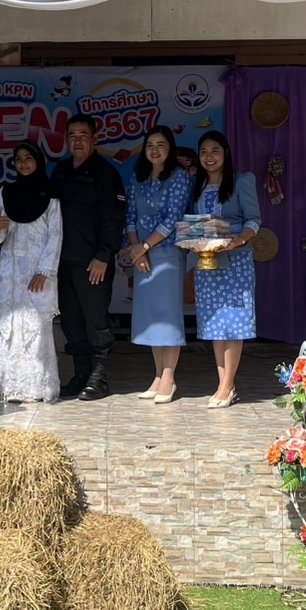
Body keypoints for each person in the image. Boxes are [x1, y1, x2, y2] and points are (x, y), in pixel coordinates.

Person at [50, 114, 126, 400]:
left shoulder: (106, 173)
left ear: (95, 139)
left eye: (83, 135)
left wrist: (104, 255)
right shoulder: (60, 171)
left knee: (96, 322)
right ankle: (81, 373)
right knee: (71, 322)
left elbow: (114, 219)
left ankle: (99, 377)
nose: (78, 141)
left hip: (93, 263)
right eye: (72, 136)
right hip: (62, 263)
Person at [189, 130, 261, 408]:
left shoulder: (242, 180)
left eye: (215, 151)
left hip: (236, 262)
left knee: (233, 323)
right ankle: (224, 384)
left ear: (226, 153)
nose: (209, 157)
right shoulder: (197, 184)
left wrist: (240, 239)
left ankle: (227, 385)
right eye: (204, 152)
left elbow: (254, 220)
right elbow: (194, 223)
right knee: (215, 324)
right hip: (206, 263)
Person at [0, 140, 62, 403]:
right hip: (11, 267)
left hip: (37, 269)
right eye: (18, 159)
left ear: (38, 161)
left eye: (28, 158)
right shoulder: (6, 192)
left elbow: (56, 234)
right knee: (9, 325)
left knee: (35, 327)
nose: (23, 164)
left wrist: (45, 271)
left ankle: (36, 388)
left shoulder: (50, 195)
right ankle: (7, 386)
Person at [125, 125, 192, 403]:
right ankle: (157, 374)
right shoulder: (138, 177)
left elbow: (172, 218)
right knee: (150, 316)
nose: (154, 150)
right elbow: (130, 215)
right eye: (150, 145)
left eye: (160, 145)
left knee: (167, 314)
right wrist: (137, 251)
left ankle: (169, 376)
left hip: (166, 252)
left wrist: (144, 247)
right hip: (141, 255)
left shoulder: (179, 177)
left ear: (170, 149)